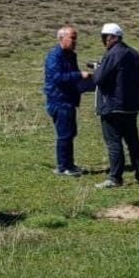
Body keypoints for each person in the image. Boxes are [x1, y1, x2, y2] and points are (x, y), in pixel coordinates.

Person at [93, 23, 139, 188]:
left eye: (105, 37)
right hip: (132, 105)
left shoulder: (112, 54)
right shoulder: (134, 53)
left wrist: (97, 69)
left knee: (113, 142)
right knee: (133, 141)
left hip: (113, 104)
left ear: (111, 37)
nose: (104, 41)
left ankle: (115, 177)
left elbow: (99, 79)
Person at [43, 25, 95, 176]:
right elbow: (57, 78)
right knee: (64, 134)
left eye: (75, 38)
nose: (75, 41)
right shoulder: (54, 56)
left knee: (70, 133)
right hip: (59, 101)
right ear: (62, 38)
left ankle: (69, 164)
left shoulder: (71, 55)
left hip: (69, 100)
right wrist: (79, 75)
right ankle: (62, 167)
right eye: (72, 38)